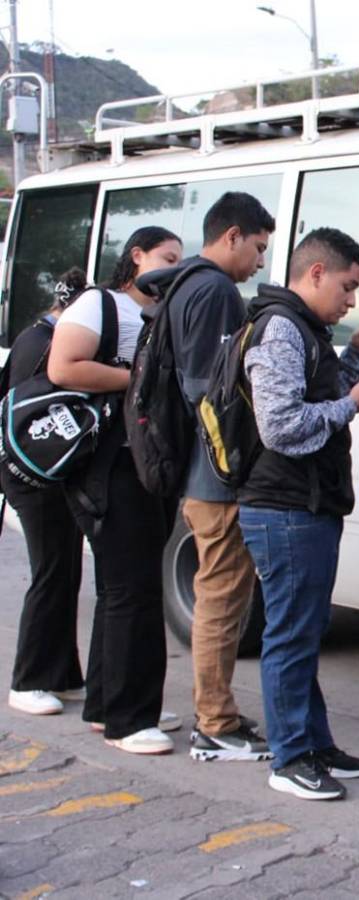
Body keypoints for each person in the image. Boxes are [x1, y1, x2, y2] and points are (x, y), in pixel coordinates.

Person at [237, 227, 359, 800]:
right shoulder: (280, 328)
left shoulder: (303, 328)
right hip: (283, 507)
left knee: (304, 631)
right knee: (290, 635)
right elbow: (279, 427)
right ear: (317, 273)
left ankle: (313, 743)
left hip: (303, 505)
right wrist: (350, 405)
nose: (351, 301)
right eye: (347, 288)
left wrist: (355, 357)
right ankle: (290, 756)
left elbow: (312, 398)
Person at [139, 191, 276, 763]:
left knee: (216, 593)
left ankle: (215, 712)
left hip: (196, 472)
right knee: (222, 597)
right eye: (259, 248)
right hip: (215, 477)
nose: (260, 262)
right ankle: (214, 722)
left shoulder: (182, 285)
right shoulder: (216, 291)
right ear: (232, 237)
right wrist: (237, 465)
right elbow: (211, 392)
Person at [47, 227, 185, 754]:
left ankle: (107, 704)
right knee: (133, 592)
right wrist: (139, 377)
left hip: (141, 463)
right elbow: (64, 367)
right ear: (137, 257)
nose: (172, 268)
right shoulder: (98, 304)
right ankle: (129, 719)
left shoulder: (153, 313)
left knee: (120, 590)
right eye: (165, 258)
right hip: (111, 464)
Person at [5, 268, 88, 716]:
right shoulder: (42, 344)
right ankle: (28, 679)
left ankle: (63, 674)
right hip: (33, 478)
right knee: (51, 574)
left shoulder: (36, 337)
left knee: (66, 572)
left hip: (44, 477)